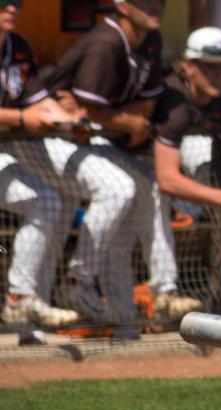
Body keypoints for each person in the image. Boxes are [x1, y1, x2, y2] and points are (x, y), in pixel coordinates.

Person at [18, 0, 165, 338]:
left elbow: (99, 110)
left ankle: (38, 328)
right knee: (114, 191)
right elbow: (87, 108)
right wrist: (119, 120)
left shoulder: (147, 40)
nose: (156, 6)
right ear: (122, 6)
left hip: (74, 141)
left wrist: (100, 117)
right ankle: (79, 281)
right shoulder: (105, 41)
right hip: (45, 140)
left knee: (60, 225)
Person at [148, 28, 221, 323]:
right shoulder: (176, 100)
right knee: (147, 196)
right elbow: (165, 178)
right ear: (188, 66)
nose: (217, 75)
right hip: (135, 166)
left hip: (179, 176)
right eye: (208, 66)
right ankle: (162, 295)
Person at [0, 0, 84, 342]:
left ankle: (22, 302)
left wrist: (70, 117)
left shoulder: (17, 46)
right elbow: (24, 114)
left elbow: (34, 98)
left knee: (47, 201)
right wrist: (21, 119)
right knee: (44, 200)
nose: (12, 8)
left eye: (16, 2)